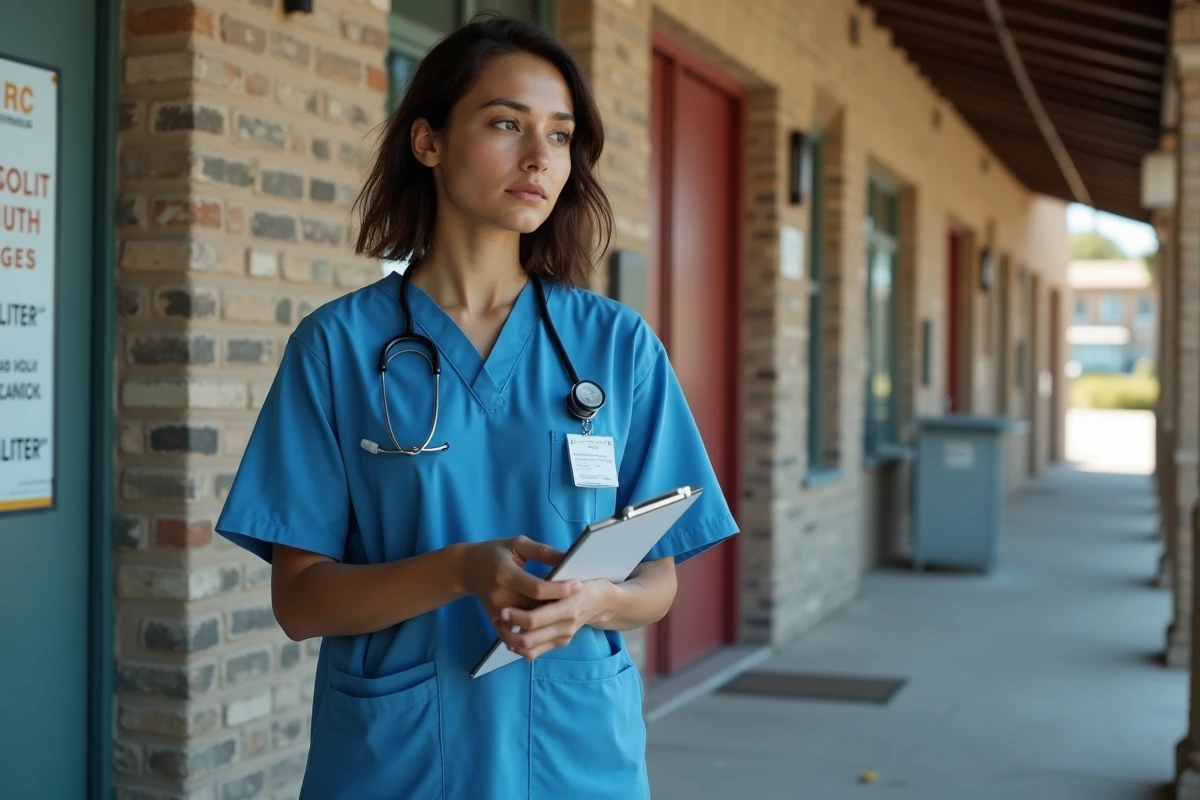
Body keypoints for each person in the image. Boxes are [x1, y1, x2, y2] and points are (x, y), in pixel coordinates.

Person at [215, 12, 738, 800]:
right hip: (402, 760)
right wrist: (461, 571)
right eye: (506, 123)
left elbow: (659, 578)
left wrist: (599, 600)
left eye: (560, 136)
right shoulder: (339, 348)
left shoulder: (616, 347)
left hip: (573, 755)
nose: (539, 157)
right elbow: (299, 600)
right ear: (427, 141)